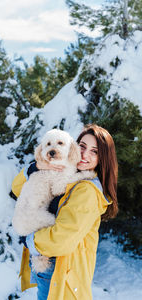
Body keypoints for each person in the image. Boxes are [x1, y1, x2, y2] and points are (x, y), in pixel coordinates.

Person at [11, 124, 118, 300]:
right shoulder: (64, 169)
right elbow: (17, 189)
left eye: (94, 151)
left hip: (63, 273)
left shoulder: (87, 190)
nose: (84, 154)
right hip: (52, 268)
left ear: (103, 158)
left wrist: (30, 240)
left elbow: (62, 239)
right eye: (82, 147)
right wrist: (36, 167)